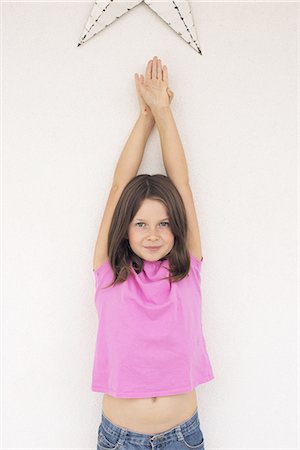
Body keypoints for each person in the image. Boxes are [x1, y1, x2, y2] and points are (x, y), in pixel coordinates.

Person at [92, 55, 214, 450]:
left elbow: (182, 184)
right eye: (141, 224)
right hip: (120, 438)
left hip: (182, 434)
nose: (153, 234)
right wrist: (145, 117)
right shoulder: (110, 274)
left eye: (163, 224)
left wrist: (164, 111)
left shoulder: (187, 270)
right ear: (124, 230)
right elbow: (118, 186)